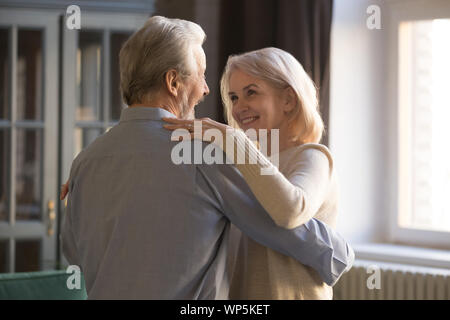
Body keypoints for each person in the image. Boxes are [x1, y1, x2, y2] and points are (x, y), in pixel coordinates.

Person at [61, 16, 354, 299]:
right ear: (173, 82)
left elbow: (74, 252)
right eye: (201, 75)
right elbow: (280, 226)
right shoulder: (203, 154)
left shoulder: (85, 162)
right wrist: (340, 253)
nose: (206, 89)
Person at [162, 47, 340, 299]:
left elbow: (291, 211)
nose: (239, 107)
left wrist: (234, 141)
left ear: (288, 100)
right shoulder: (250, 162)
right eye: (234, 98)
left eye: (251, 93)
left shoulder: (313, 157)